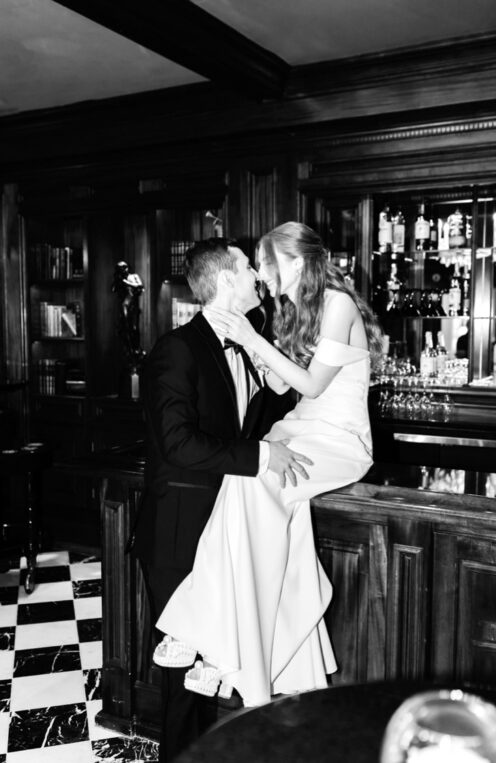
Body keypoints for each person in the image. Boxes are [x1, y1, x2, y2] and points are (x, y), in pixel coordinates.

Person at [153, 221, 382, 710]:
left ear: (295, 263)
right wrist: (256, 351)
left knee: (256, 480)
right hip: (301, 426)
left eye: (265, 263)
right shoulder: (292, 311)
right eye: (253, 266)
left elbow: (315, 385)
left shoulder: (337, 303)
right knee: (245, 479)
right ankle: (216, 634)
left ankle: (211, 634)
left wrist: (254, 345)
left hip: (339, 437)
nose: (260, 274)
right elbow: (282, 389)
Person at [132, 238, 313, 762]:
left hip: (230, 523)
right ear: (226, 280)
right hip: (180, 527)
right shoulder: (177, 348)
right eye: (248, 269)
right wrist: (260, 457)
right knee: (183, 675)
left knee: (214, 660)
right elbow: (178, 443)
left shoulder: (251, 340)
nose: (258, 277)